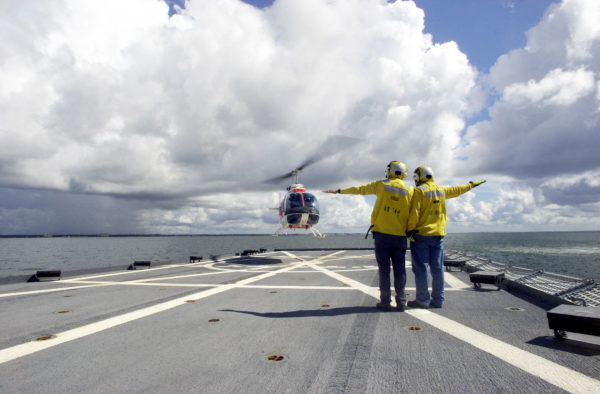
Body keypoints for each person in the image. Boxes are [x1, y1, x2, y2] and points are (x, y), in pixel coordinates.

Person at [324, 161, 413, 312]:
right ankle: (402, 302)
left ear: (389, 171)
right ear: (403, 173)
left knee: (384, 269)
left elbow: (360, 190)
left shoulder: (381, 185)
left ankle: (385, 302)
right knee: (400, 270)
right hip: (400, 236)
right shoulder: (410, 190)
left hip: (382, 235)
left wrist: (339, 191)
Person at [406, 166, 485, 309]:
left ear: (418, 177)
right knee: (437, 268)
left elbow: (414, 213)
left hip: (421, 236)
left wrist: (409, 230)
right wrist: (471, 185)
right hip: (438, 236)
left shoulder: (419, 191)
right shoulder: (441, 191)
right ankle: (438, 300)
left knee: (421, 269)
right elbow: (457, 190)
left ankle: (422, 300)